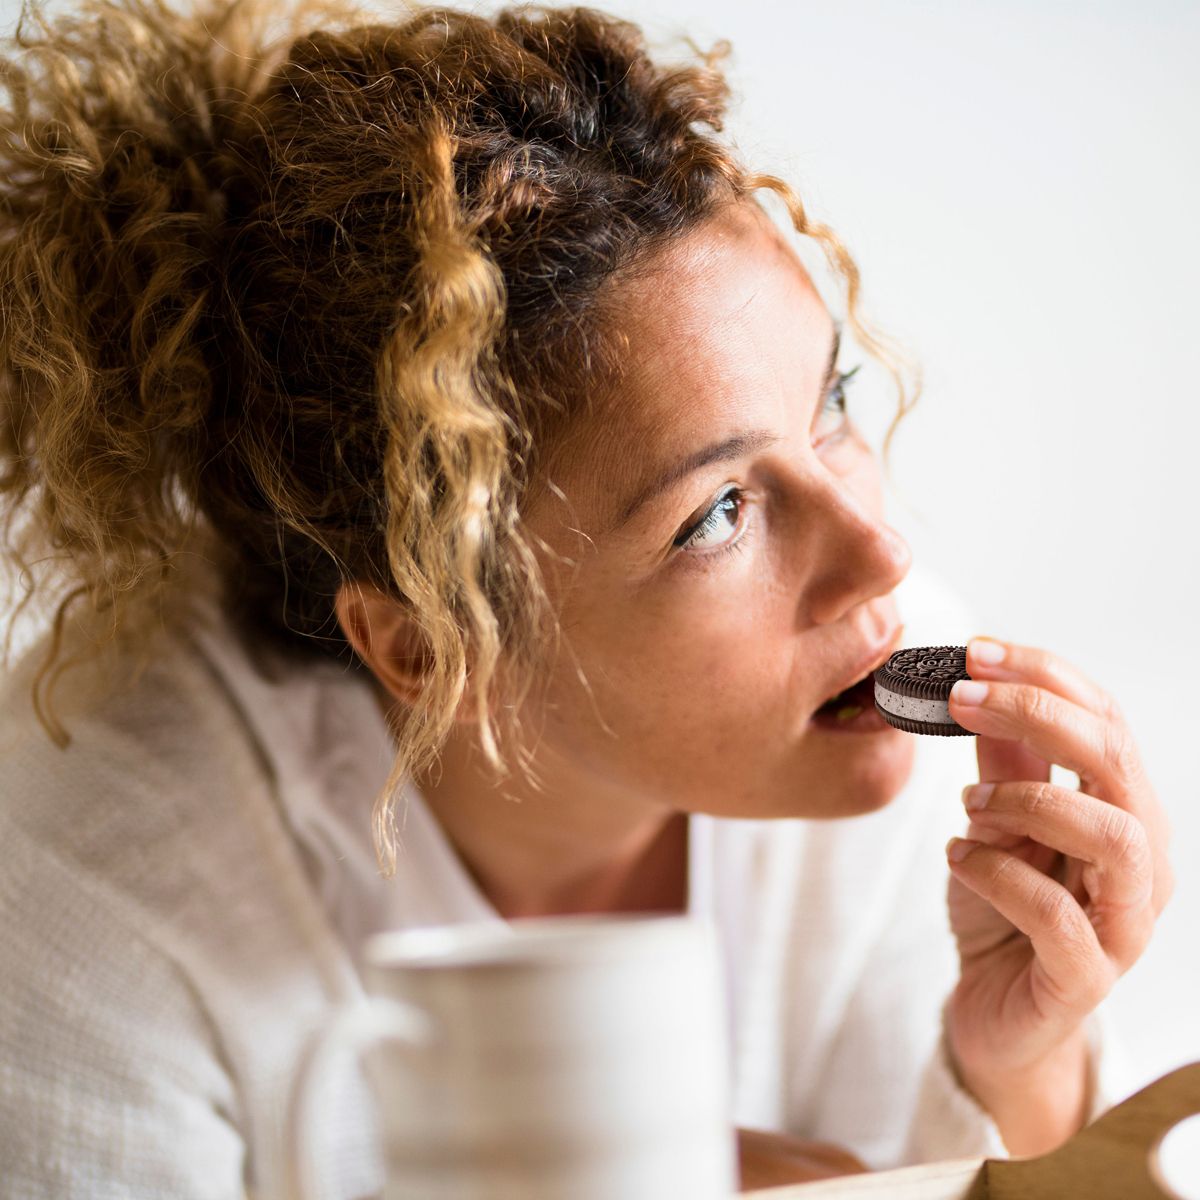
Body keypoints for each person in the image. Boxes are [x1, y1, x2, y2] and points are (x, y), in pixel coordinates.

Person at [0, 0, 1174, 1195]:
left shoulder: (915, 757)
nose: (881, 555)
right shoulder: (88, 894)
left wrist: (1021, 1066)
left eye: (831, 402)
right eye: (717, 513)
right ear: (431, 646)